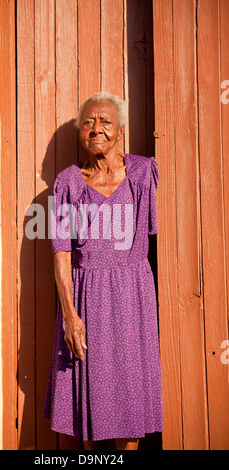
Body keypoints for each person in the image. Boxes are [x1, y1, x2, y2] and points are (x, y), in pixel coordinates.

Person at [42, 91, 163, 450]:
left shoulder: (142, 173)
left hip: (132, 295)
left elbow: (148, 234)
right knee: (86, 397)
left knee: (130, 397)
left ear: (121, 131)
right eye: (89, 123)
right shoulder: (68, 183)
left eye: (106, 122)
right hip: (86, 296)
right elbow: (61, 254)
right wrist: (70, 317)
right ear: (80, 132)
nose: (97, 129)